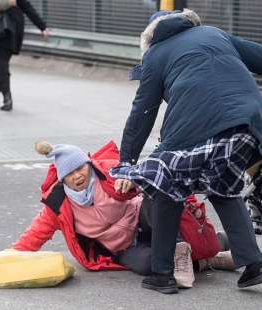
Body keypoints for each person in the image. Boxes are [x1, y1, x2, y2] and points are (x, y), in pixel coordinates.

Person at [109, 9, 262, 294]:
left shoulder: (155, 54)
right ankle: (253, 263)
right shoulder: (214, 33)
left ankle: (162, 274)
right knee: (222, 187)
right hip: (247, 124)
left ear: (149, 37)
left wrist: (126, 162)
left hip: (196, 127)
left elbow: (142, 112)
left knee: (166, 187)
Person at [12, 140, 233, 287]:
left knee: (152, 200)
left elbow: (146, 176)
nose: (77, 176)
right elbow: (36, 234)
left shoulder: (107, 171)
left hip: (144, 220)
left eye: (80, 168)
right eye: (69, 174)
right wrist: (9, 258)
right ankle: (209, 260)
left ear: (89, 165)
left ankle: (201, 245)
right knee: (150, 265)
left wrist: (132, 182)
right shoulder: (59, 204)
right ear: (62, 179)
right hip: (124, 247)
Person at [0, 0, 48, 111]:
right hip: (13, 30)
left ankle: (5, 96)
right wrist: (42, 27)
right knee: (1, 63)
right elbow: (27, 7)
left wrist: (42, 26)